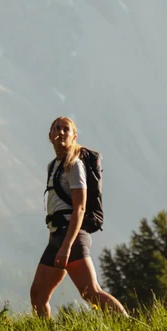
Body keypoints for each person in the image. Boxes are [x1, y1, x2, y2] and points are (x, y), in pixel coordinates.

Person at [31, 117, 130, 318]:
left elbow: (80, 208)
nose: (61, 132)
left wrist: (66, 246)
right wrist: (55, 241)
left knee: (90, 292)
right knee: (38, 295)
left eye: (66, 129)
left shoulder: (74, 165)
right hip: (57, 237)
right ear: (49, 136)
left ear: (74, 136)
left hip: (72, 237)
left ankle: (129, 326)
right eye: (56, 128)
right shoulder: (53, 166)